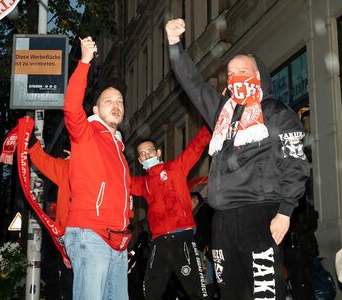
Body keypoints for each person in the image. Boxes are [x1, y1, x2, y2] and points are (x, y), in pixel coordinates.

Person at [165, 18, 310, 300]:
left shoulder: (276, 112)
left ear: (258, 75)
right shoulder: (222, 113)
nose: (234, 78)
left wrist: (285, 211)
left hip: (259, 214)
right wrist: (174, 46)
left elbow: (296, 164)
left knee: (263, 294)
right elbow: (193, 85)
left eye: (242, 71)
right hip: (222, 220)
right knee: (230, 293)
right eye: (230, 73)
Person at [63, 35, 132, 300]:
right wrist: (84, 62)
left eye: (120, 102)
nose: (116, 105)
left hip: (117, 241)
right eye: (108, 101)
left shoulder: (119, 149)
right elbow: (70, 107)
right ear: (95, 108)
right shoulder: (87, 132)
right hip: (91, 234)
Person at [131, 126, 212, 300]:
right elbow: (118, 180)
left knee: (198, 292)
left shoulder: (175, 168)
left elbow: (196, 146)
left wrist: (213, 117)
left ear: (158, 152)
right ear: (139, 160)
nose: (146, 156)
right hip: (159, 243)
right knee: (151, 293)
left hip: (182, 238)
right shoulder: (142, 183)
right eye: (142, 154)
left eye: (149, 151)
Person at [28, 143, 73, 299]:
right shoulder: (66, 167)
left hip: (93, 239)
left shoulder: (100, 166)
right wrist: (29, 138)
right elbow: (41, 159)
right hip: (67, 239)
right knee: (67, 286)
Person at [191, 192, 216, 299]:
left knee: (207, 276)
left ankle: (208, 296)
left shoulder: (203, 211)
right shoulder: (199, 211)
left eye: (189, 200)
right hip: (203, 248)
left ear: (196, 200)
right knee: (205, 276)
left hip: (205, 249)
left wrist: (204, 245)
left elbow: (206, 230)